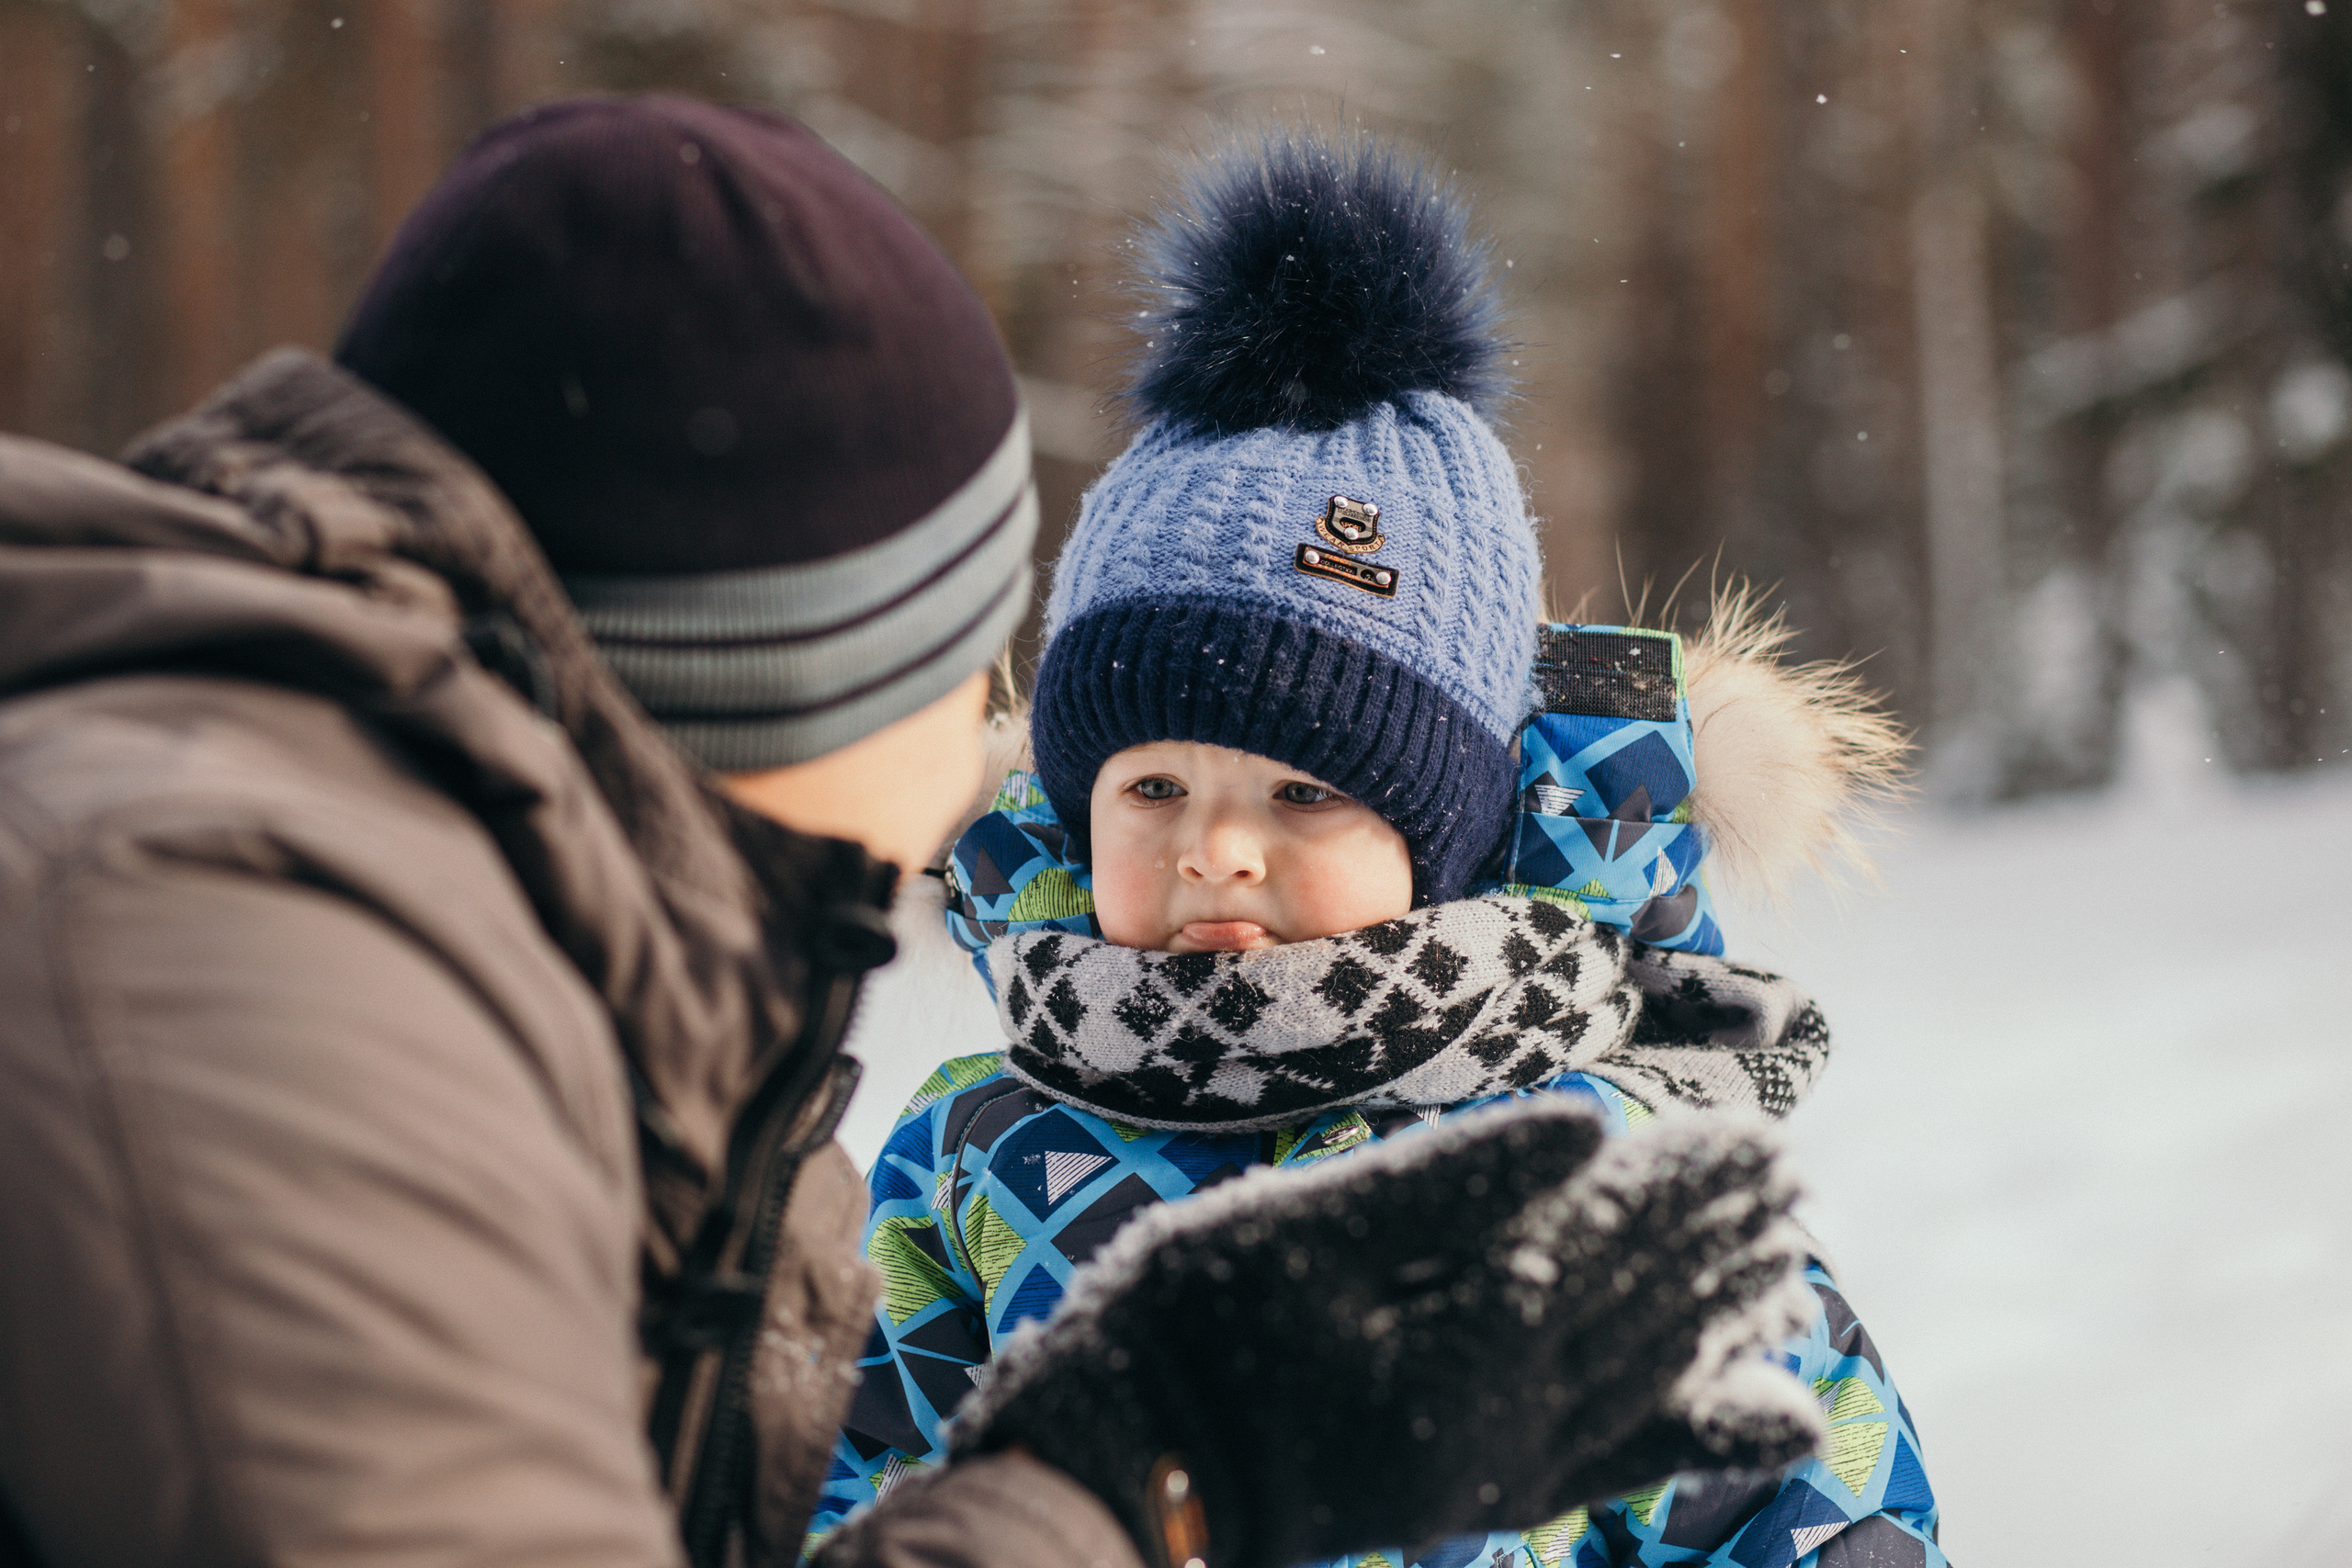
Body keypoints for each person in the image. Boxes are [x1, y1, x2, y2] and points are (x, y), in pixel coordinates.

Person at [0, 97, 1822, 1568]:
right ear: (761, 676)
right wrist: (1141, 1480)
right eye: (958, 677)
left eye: (1308, 794)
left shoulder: (444, 936)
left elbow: (1805, 1489)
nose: (978, 762)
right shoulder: (263, 1011)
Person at [814, 133, 1947, 1568]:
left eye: (1306, 795)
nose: (1216, 849)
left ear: (1451, 836)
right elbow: (844, 1501)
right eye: (1152, 784)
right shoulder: (976, 1153)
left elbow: (1816, 1512)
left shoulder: (1597, 1155)